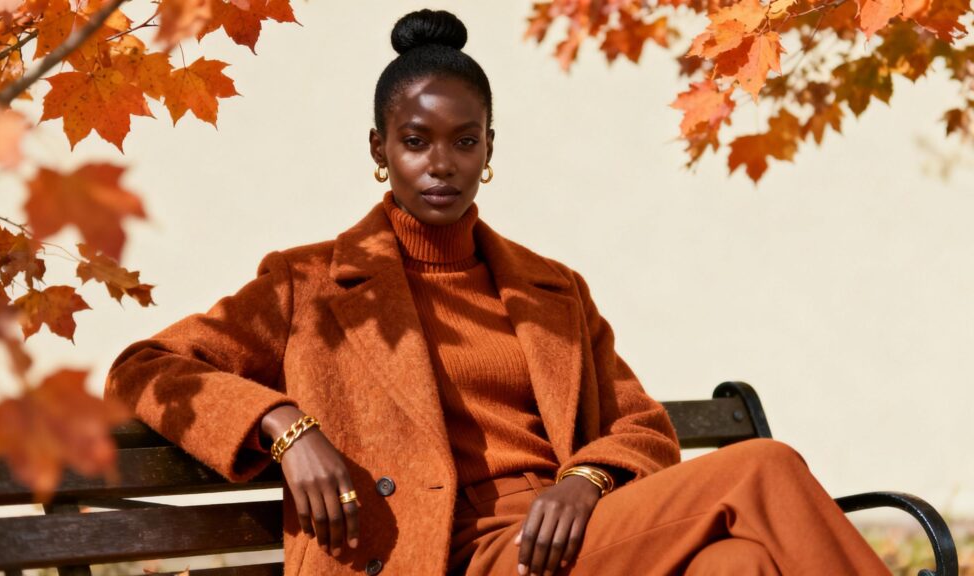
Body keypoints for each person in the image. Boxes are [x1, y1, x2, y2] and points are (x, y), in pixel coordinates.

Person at [105, 9, 892, 576]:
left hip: (562, 544)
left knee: (741, 564)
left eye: (463, 140)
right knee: (763, 467)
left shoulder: (553, 290)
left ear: (489, 148)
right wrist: (283, 426)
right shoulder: (308, 284)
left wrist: (585, 484)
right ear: (380, 149)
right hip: (433, 553)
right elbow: (146, 367)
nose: (439, 163)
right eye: (415, 142)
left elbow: (642, 427)